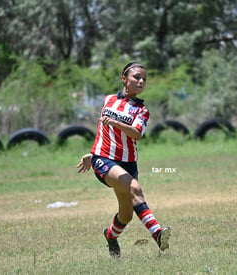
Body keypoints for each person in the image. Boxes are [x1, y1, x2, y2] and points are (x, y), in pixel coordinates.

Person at [76, 61, 171, 258]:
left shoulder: (142, 111)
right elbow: (104, 130)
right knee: (135, 188)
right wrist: (93, 155)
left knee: (126, 215)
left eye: (144, 79)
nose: (141, 81)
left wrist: (117, 123)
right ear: (124, 79)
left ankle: (110, 236)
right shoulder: (108, 99)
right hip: (104, 160)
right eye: (137, 77)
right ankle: (158, 235)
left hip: (128, 164)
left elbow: (137, 134)